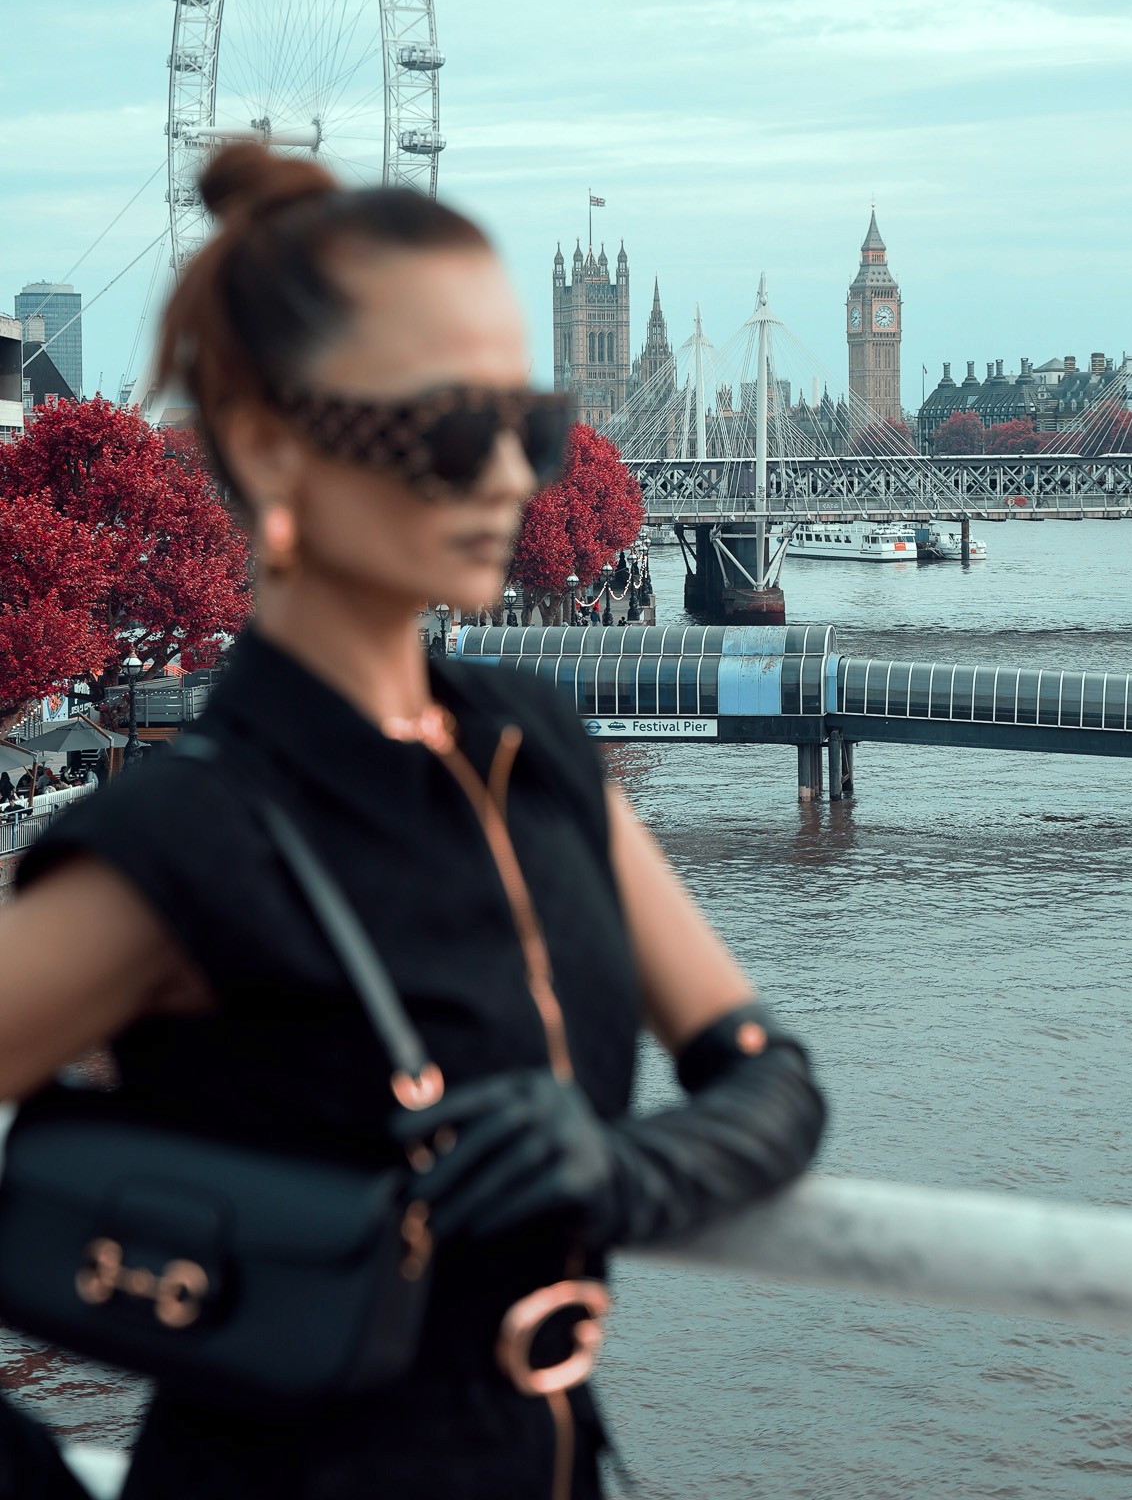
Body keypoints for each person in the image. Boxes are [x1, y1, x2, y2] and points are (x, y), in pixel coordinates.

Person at [0, 143, 824, 1500]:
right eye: (450, 426)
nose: (510, 477)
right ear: (273, 444)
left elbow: (771, 1083)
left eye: (530, 427)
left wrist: (616, 1170)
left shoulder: (536, 750)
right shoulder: (187, 840)